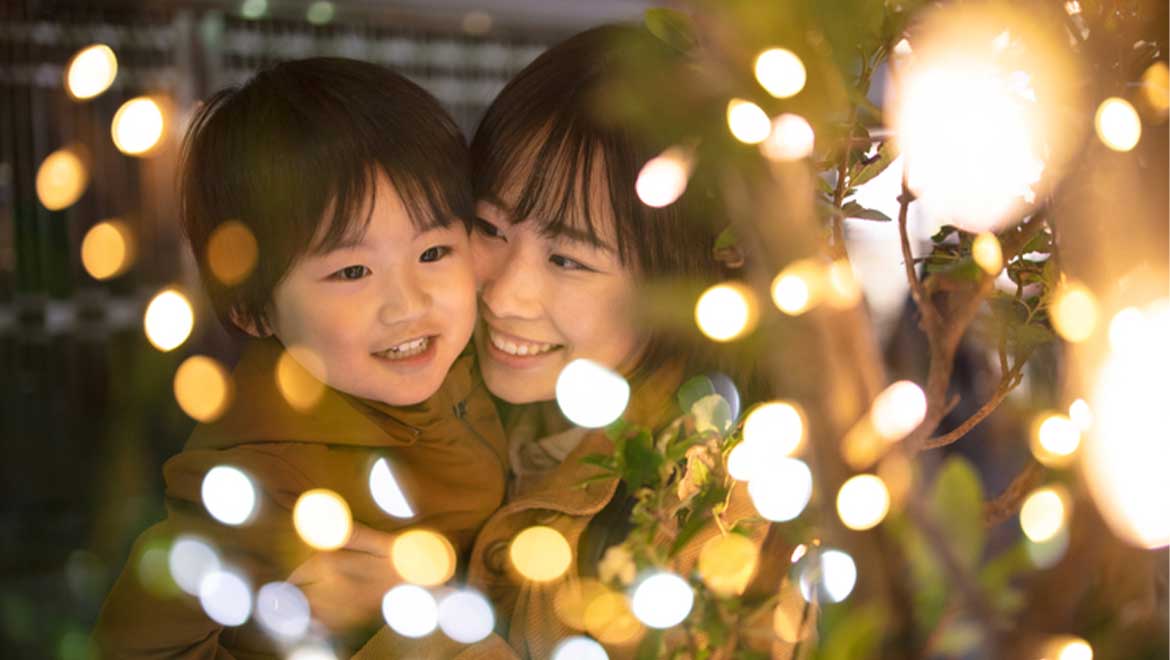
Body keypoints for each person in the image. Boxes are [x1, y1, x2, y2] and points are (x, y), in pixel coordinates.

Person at [357, 25, 810, 660]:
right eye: (489, 227)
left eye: (569, 259)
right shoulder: (426, 397)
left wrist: (416, 617)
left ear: (678, 285)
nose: (504, 295)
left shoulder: (710, 516)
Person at [94, 58, 508, 657]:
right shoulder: (260, 482)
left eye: (434, 250)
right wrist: (284, 621)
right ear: (254, 310)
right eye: (352, 270)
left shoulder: (478, 358)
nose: (408, 303)